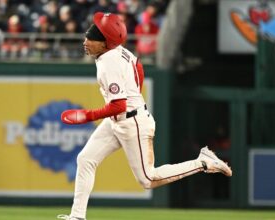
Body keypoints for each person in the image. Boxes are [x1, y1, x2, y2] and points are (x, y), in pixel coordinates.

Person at [58, 12, 232, 220]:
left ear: (105, 43)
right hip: (123, 118)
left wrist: (87, 116)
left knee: (148, 179)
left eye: (91, 38)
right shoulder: (119, 51)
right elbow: (138, 68)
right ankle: (77, 216)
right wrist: (135, 96)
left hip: (132, 122)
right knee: (85, 159)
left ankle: (202, 162)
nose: (85, 42)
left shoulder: (107, 63)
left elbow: (119, 105)